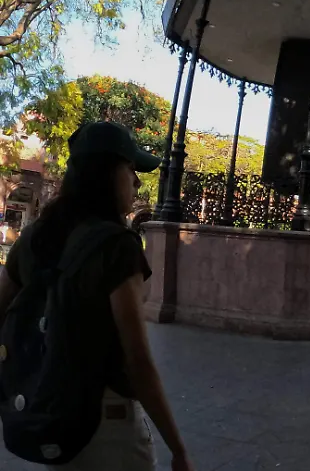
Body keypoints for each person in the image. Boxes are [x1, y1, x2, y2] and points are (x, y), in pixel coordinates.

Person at [0, 122, 193, 471]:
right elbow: (137, 360)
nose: (137, 182)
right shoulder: (116, 246)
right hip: (108, 424)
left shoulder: (35, 237)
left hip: (54, 413)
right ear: (107, 173)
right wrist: (178, 450)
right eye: (131, 169)